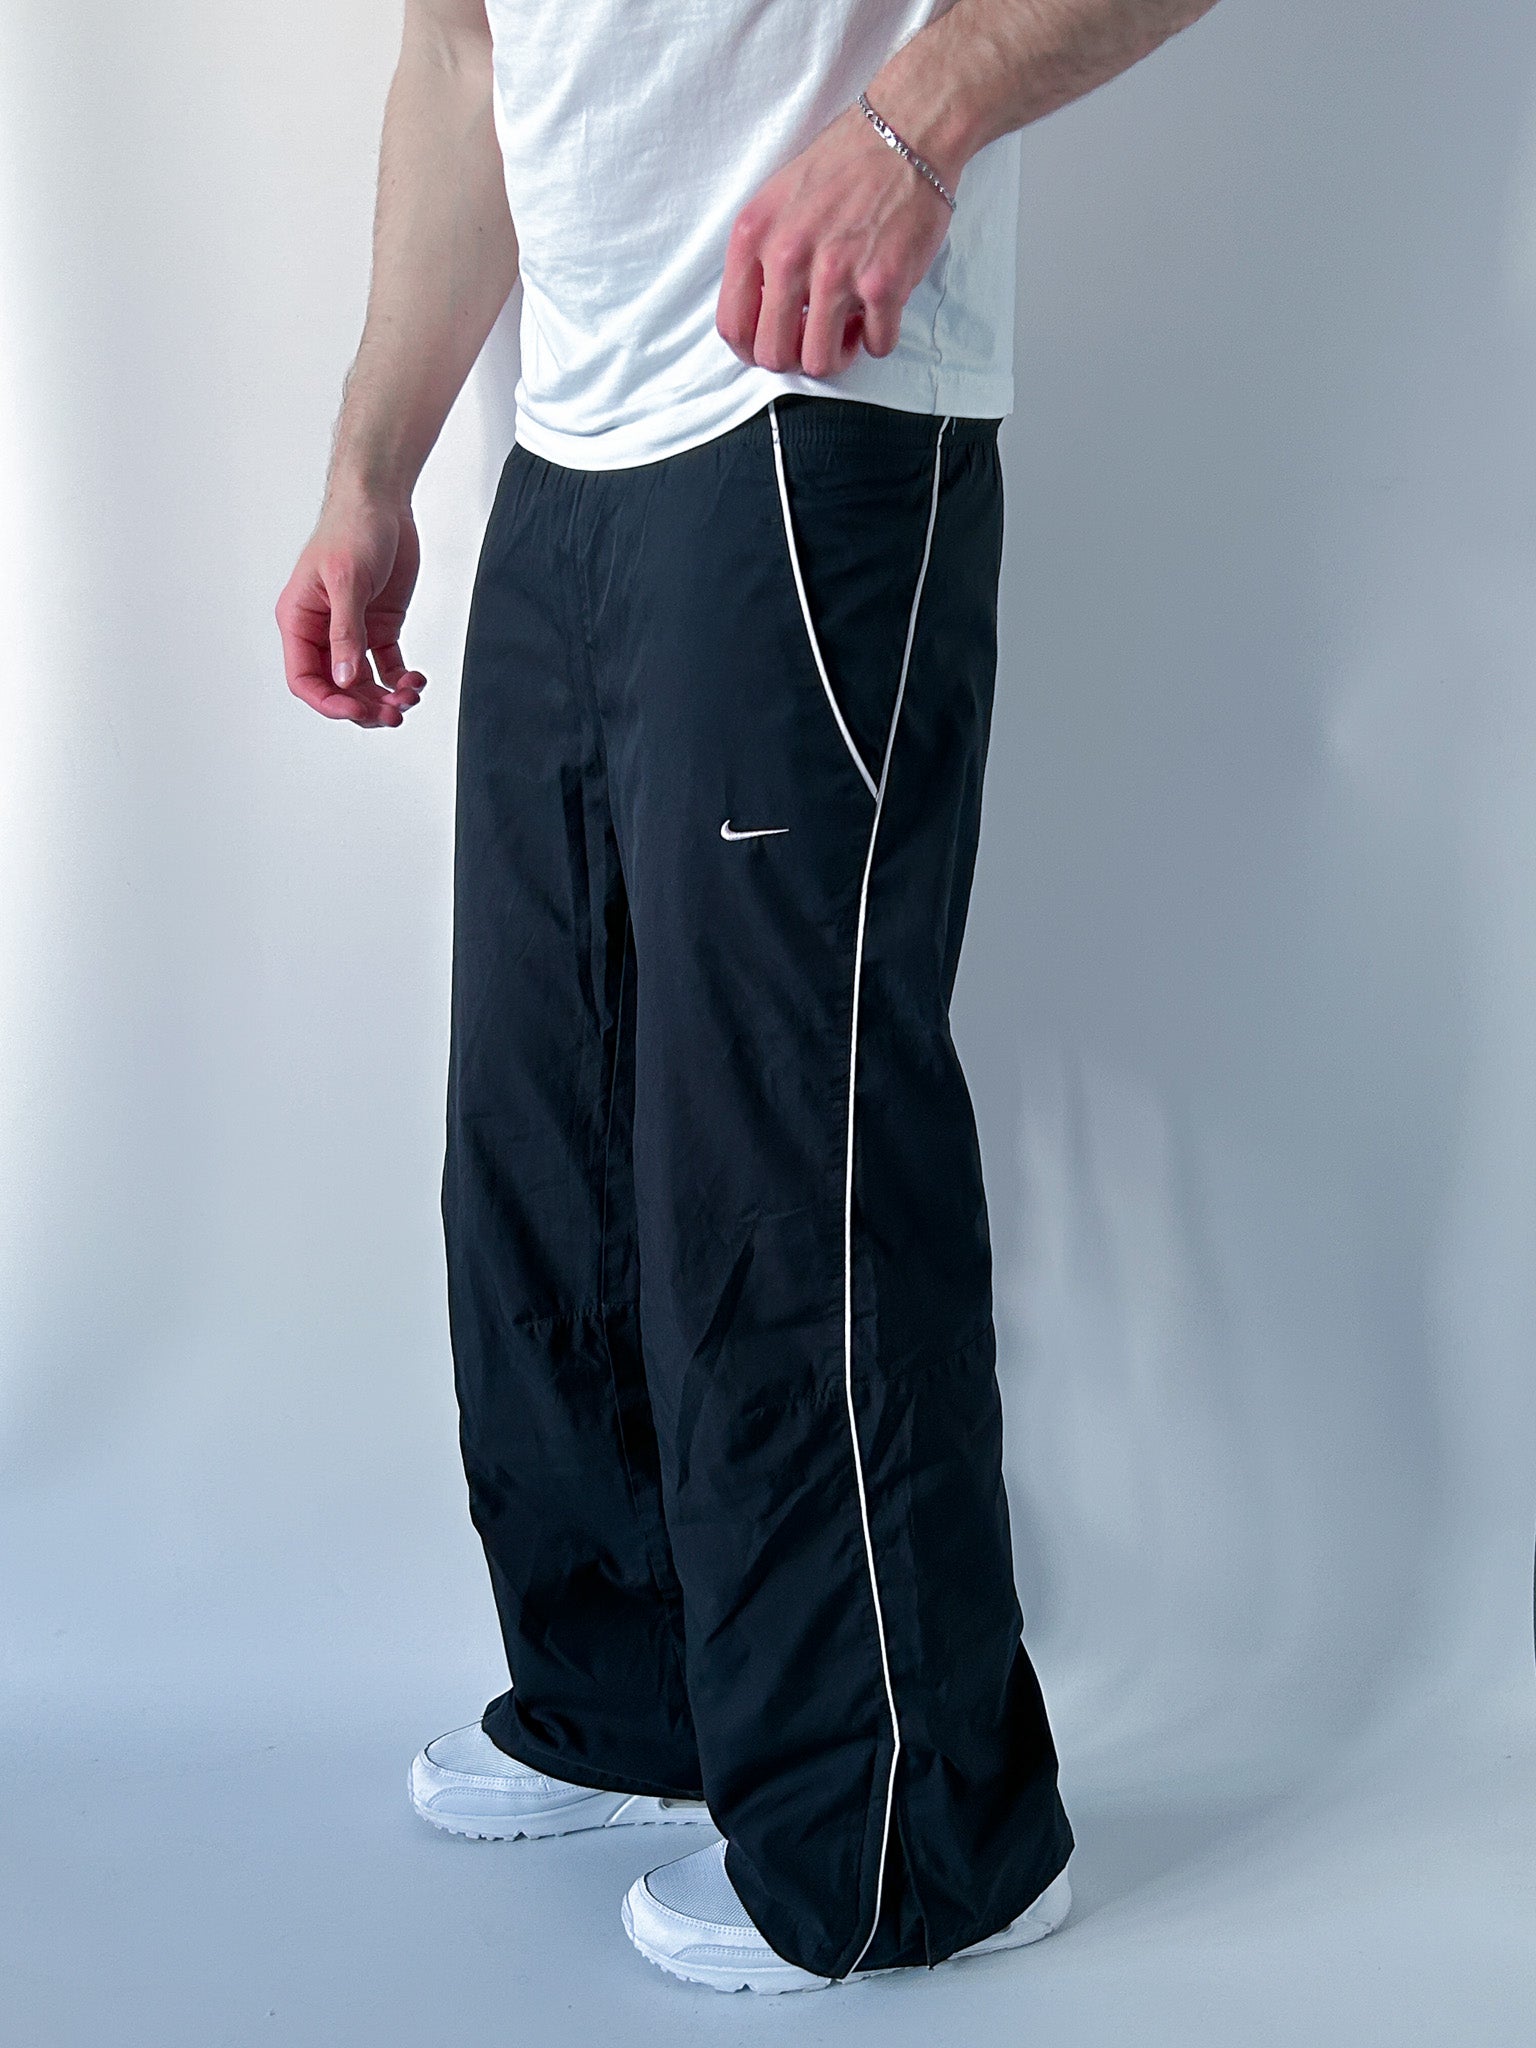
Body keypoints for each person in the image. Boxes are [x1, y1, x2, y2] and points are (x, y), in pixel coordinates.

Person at [275, 0, 1219, 1995]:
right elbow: (464, 60)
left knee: (785, 1162)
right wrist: (372, 463)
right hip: (567, 454)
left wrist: (919, 119)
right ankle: (638, 1702)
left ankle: (921, 1841)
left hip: (812, 411)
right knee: (544, 1151)